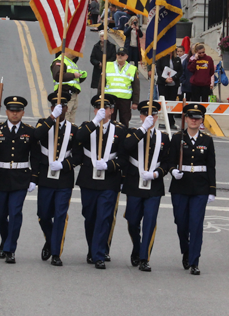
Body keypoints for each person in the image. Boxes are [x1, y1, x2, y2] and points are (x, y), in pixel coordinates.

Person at [0, 96, 38, 263]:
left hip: (20, 178)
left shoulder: (30, 131)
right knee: (0, 215)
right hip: (0, 178)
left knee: (15, 213)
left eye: (18, 111)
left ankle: (10, 248)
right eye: (12, 111)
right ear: (6, 112)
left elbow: (35, 157)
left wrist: (34, 178)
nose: (15, 114)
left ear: (23, 113)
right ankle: (5, 239)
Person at [76, 95, 126, 268]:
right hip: (89, 179)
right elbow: (78, 138)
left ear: (112, 110)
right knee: (89, 217)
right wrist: (95, 122)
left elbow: (124, 158)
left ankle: (99, 255)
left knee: (104, 217)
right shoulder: (87, 127)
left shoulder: (120, 130)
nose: (102, 111)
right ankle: (93, 248)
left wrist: (110, 165)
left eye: (106, 108)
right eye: (98, 108)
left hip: (109, 180)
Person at [34, 92, 82, 266]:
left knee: (60, 215)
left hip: (64, 178)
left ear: (67, 108)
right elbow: (36, 136)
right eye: (55, 106)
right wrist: (51, 118)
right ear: (52, 108)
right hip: (45, 176)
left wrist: (64, 165)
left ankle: (56, 252)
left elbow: (78, 156)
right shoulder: (43, 124)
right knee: (43, 215)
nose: (59, 109)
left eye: (62, 107)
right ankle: (50, 240)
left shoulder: (73, 130)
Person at [169, 103, 216, 275]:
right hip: (180, 187)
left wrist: (212, 190)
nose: (194, 120)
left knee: (196, 225)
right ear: (186, 119)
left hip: (200, 188)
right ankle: (186, 250)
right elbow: (169, 161)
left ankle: (194, 260)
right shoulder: (177, 138)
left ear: (201, 120)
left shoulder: (207, 140)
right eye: (191, 117)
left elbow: (211, 166)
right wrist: (173, 170)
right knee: (181, 223)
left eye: (197, 118)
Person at [124, 100, 170, 272]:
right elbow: (126, 147)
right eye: (145, 114)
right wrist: (144, 129)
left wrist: (157, 173)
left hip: (154, 185)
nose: (150, 117)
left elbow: (167, 162)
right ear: (141, 116)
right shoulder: (133, 133)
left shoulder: (163, 137)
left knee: (150, 222)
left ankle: (144, 257)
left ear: (157, 117)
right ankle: (137, 246)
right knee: (132, 221)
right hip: (134, 183)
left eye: (153, 115)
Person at [104, 47, 139, 127]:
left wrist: (135, 102)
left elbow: (136, 86)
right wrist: (100, 97)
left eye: (122, 54)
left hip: (125, 100)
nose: (120, 56)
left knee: (124, 121)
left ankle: (123, 138)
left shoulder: (132, 68)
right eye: (118, 54)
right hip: (110, 99)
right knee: (109, 121)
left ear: (126, 57)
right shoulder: (108, 65)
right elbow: (101, 83)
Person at [51, 51, 87, 124]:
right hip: (65, 93)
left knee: (71, 117)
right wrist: (73, 75)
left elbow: (73, 81)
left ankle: (70, 132)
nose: (76, 54)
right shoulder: (59, 61)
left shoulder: (71, 62)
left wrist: (81, 76)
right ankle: (65, 132)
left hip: (73, 94)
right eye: (74, 51)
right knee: (65, 115)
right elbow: (58, 75)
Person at [155, 49, 183, 128]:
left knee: (172, 103)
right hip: (163, 84)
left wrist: (173, 78)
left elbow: (180, 71)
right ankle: (163, 121)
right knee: (164, 103)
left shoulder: (177, 59)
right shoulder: (161, 58)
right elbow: (158, 70)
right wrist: (165, 79)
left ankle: (171, 122)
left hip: (173, 84)